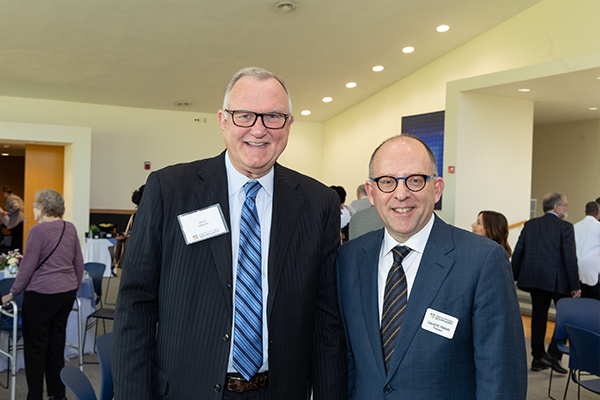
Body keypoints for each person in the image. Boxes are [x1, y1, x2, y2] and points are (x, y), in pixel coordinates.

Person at [112, 67, 347, 399]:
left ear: (289, 124)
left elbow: (326, 320)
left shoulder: (317, 202)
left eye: (274, 117)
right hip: (186, 390)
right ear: (223, 120)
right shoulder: (169, 190)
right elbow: (136, 304)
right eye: (244, 116)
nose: (259, 129)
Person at [337, 134, 526, 399]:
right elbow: (345, 363)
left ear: (436, 189)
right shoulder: (348, 259)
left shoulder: (483, 260)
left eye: (415, 180)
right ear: (371, 192)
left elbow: (501, 378)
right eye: (387, 182)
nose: (401, 194)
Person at [1, 189, 84, 400]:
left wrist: (12, 292)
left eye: (35, 205)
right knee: (56, 346)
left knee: (35, 349)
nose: (33, 209)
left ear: (44, 208)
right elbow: (78, 263)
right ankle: (58, 395)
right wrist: (72, 288)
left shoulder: (37, 232)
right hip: (65, 295)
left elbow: (27, 268)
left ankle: (35, 396)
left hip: (40, 296)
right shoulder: (70, 228)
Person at [512, 192, 580, 373]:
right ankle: (554, 356)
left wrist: (514, 274)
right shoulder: (565, 227)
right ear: (557, 207)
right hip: (559, 282)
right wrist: (575, 285)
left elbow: (518, 252)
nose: (566, 208)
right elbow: (569, 258)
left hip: (535, 279)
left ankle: (537, 358)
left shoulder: (531, 224)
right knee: (566, 318)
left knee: (538, 317)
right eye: (565, 205)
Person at [573, 201, 600, 299]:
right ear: (598, 212)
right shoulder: (598, 226)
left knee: (582, 299)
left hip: (577, 269)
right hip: (594, 271)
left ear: (585, 212)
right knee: (595, 301)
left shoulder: (575, 226)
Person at [2, 186, 25, 251]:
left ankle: (15, 253)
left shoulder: (11, 198)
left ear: (6, 192)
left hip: (17, 220)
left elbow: (16, 207)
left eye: (3, 193)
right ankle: (17, 252)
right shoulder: (15, 197)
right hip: (20, 219)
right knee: (18, 238)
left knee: (16, 238)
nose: (3, 195)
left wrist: (8, 213)